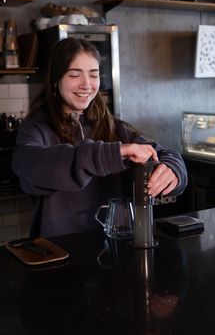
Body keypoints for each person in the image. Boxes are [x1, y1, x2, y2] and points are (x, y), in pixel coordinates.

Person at [12, 38, 187, 238]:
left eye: (94, 75)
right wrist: (109, 154)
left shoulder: (113, 127)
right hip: (58, 252)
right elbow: (29, 167)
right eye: (75, 74)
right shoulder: (36, 129)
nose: (87, 84)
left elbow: (162, 154)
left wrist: (173, 168)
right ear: (55, 80)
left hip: (115, 250)